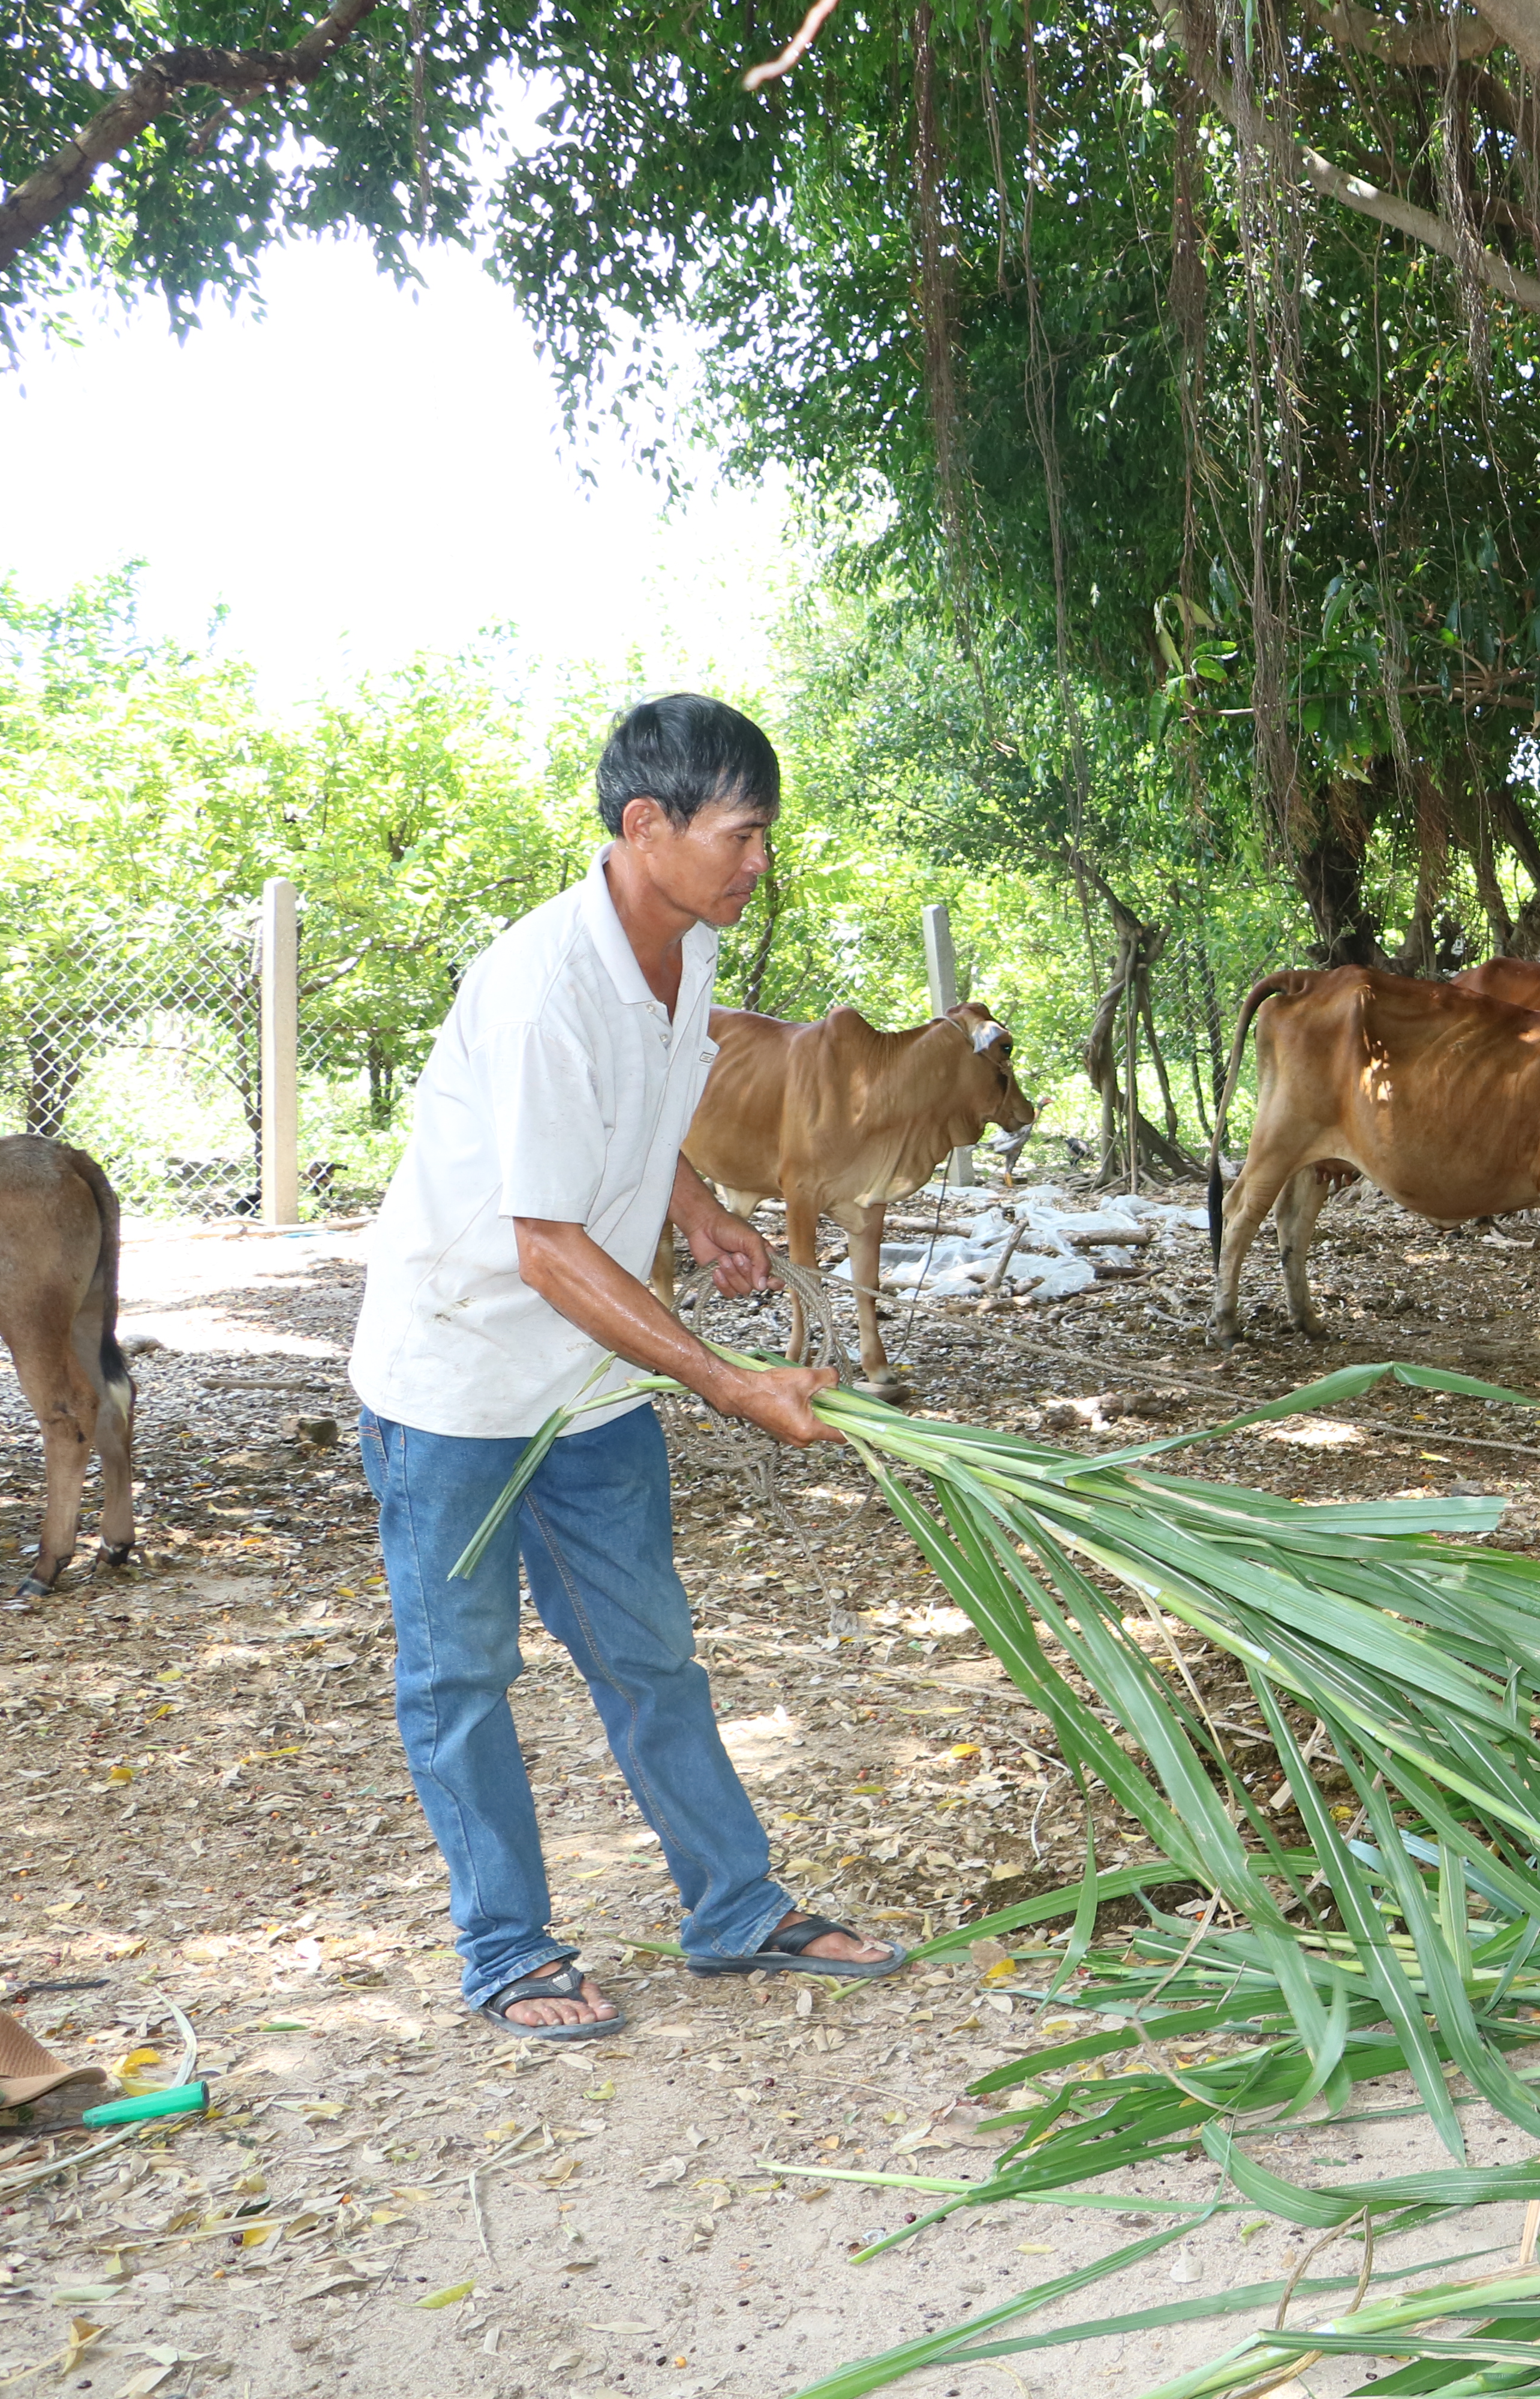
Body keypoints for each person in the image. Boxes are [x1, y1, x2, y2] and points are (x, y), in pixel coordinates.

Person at [351, 693, 904, 2040]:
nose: (759, 860)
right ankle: (506, 1947)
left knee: (651, 1654)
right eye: (741, 834)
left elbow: (640, 1114)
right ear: (646, 824)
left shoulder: (687, 947)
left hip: (591, 1374)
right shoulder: (544, 984)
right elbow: (543, 1244)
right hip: (463, 1375)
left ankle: (735, 1908)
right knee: (463, 1678)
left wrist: (697, 1208)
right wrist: (730, 1380)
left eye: (765, 834)